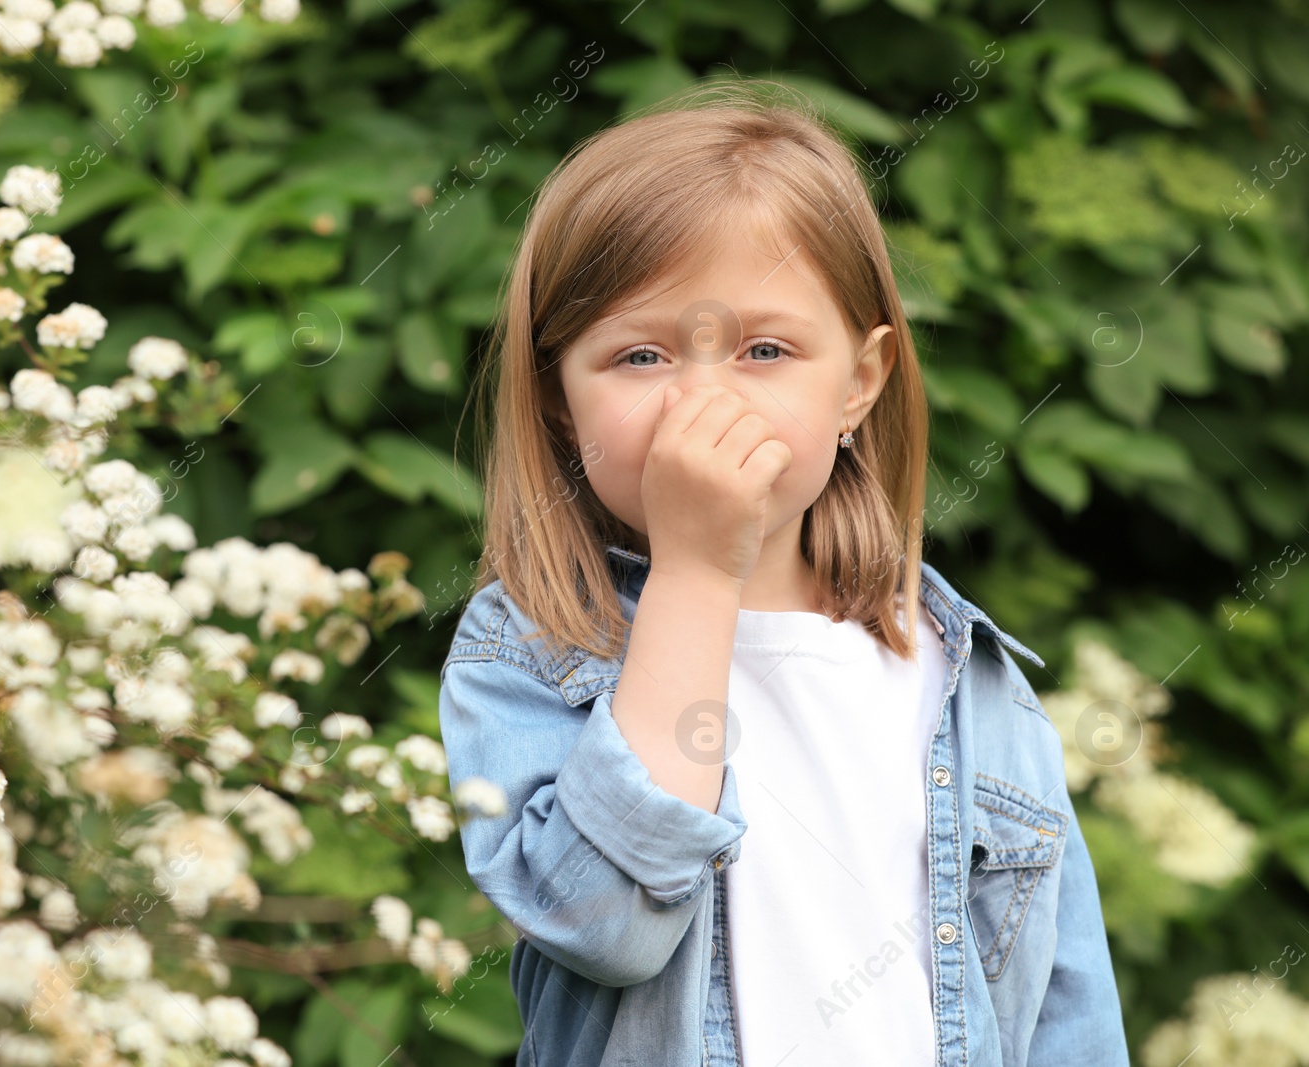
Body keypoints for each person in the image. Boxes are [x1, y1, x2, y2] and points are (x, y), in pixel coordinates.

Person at [437, 80, 1130, 1066]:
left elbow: (1069, 1010)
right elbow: (608, 924)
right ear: (559, 402)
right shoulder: (532, 648)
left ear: (857, 381)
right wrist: (694, 572)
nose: (702, 400)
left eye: (765, 348)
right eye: (640, 354)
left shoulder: (963, 678)